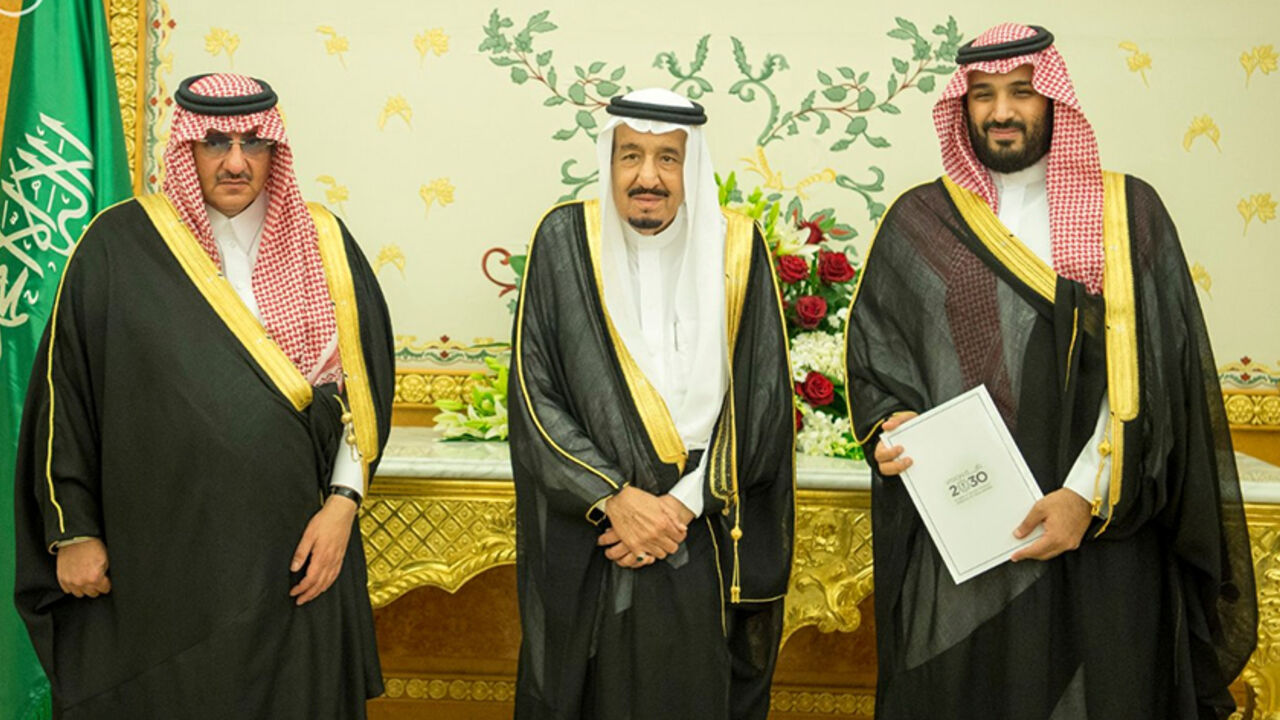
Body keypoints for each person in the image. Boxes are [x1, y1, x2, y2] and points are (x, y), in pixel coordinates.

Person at [843, 23, 1256, 719]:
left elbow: (1157, 375)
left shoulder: (1129, 214)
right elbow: (878, 359)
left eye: (1021, 91)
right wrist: (893, 423)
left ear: (1054, 100)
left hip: (1105, 532)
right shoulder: (920, 220)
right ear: (962, 107)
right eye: (982, 95)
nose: (1001, 110)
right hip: (970, 545)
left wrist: (1083, 495)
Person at [12, 73, 394, 719]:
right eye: (215, 142)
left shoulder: (324, 241)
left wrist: (341, 508)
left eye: (254, 142)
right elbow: (64, 395)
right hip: (158, 559)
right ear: (186, 148)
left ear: (277, 149)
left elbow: (361, 393)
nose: (236, 161)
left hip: (296, 552)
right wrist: (72, 532)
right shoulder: (119, 243)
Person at [508, 88, 795, 720]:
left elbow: (764, 402)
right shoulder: (563, 242)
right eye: (630, 155)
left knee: (689, 692)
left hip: (701, 522)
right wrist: (615, 497)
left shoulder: (737, 250)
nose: (647, 176)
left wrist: (677, 509)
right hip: (592, 526)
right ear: (608, 162)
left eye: (668, 158)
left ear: (692, 168)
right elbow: (535, 396)